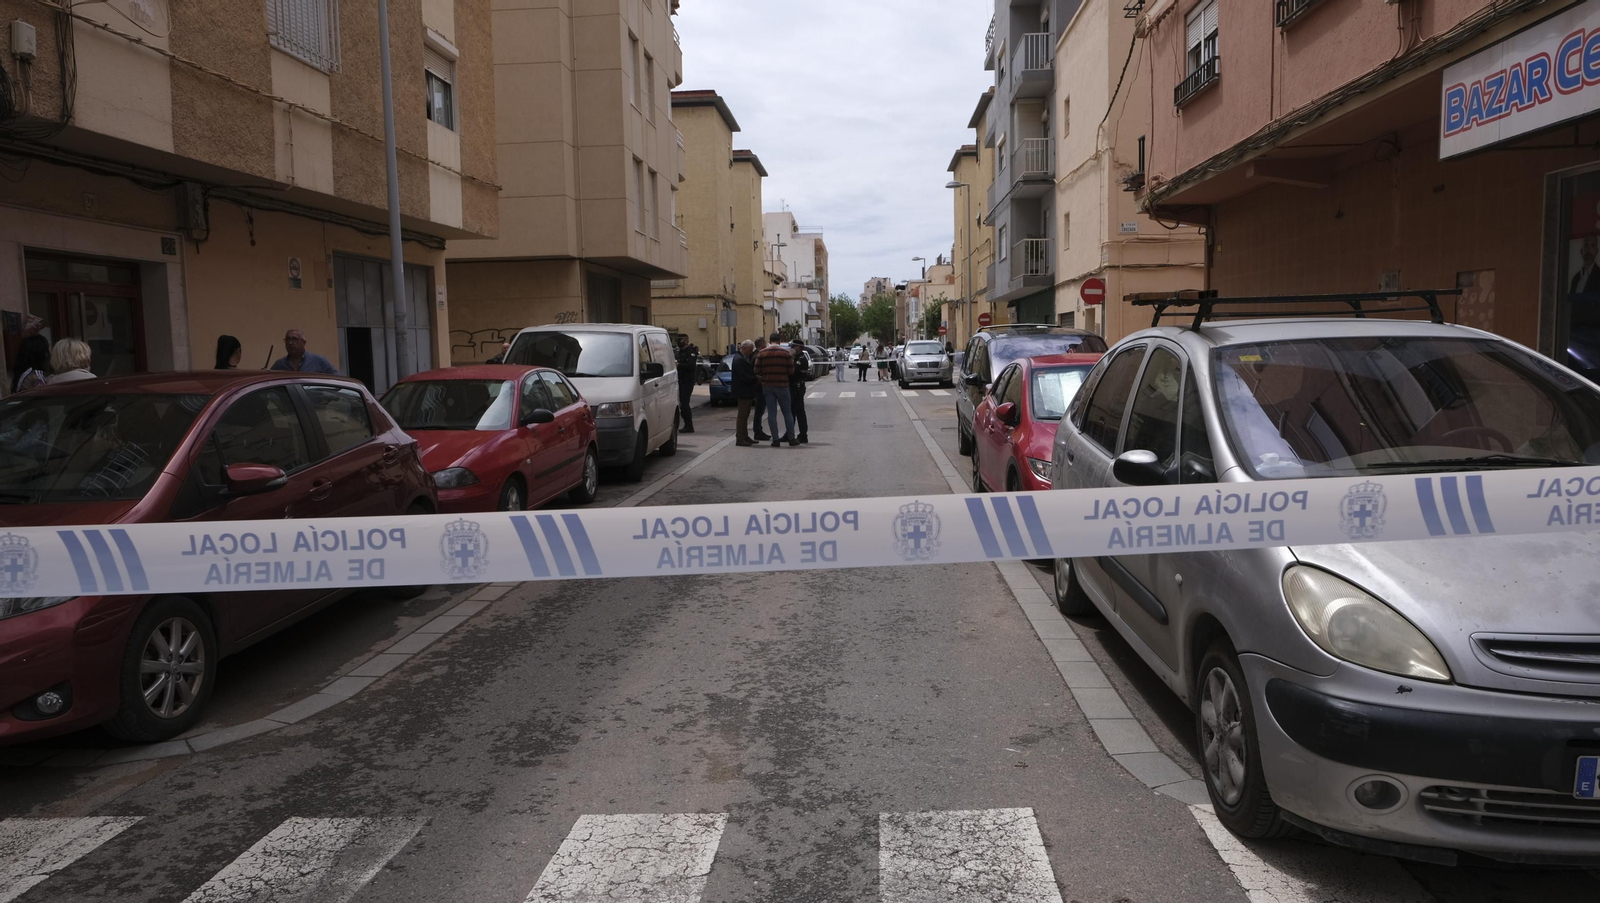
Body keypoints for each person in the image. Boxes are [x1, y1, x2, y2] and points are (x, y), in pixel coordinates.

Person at [755, 332, 796, 446]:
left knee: (771, 413)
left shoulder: (762, 353)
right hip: (782, 385)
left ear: (770, 340)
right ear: (779, 340)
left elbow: (756, 370)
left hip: (768, 386)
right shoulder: (785, 353)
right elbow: (791, 371)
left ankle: (775, 439)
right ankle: (791, 438)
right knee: (787, 412)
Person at [731, 340, 761, 447]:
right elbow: (743, 376)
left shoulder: (743, 358)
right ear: (744, 348)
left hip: (747, 391)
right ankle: (740, 437)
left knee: (746, 415)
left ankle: (745, 436)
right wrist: (755, 379)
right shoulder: (739, 359)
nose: (751, 352)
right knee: (742, 415)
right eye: (750, 349)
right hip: (743, 391)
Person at [270, 329, 339, 373]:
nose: (290, 343)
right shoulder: (279, 365)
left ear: (304, 342)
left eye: (294, 339)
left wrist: (323, 393)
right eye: (288, 340)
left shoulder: (318, 361)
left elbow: (336, 380)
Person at [674, 334, 698, 435]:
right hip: (678, 380)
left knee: (684, 404)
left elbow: (691, 365)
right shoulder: (679, 352)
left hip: (687, 381)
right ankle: (686, 424)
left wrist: (679, 365)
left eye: (681, 340)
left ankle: (689, 425)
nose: (679, 341)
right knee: (680, 404)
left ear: (686, 340)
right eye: (678, 339)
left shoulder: (691, 352)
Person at [787, 342, 811, 444]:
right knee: (792, 412)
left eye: (793, 347)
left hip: (798, 388)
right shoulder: (797, 358)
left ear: (799, 347)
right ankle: (789, 434)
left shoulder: (801, 359)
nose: (792, 349)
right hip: (793, 387)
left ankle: (803, 435)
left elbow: (792, 371)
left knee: (799, 412)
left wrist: (790, 358)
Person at [751, 336, 770, 441]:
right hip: (759, 386)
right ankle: (757, 432)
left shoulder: (756, 355)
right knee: (759, 410)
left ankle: (759, 430)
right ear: (762, 345)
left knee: (760, 410)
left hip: (759, 386)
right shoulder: (757, 356)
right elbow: (757, 371)